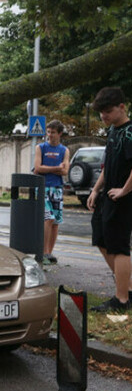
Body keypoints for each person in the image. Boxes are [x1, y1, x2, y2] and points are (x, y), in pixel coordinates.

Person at [86, 87, 132, 312]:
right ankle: (128, 289)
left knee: (119, 246)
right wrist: (95, 190)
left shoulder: (130, 131)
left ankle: (121, 300)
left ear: (122, 107)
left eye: (108, 111)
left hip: (124, 198)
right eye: (101, 112)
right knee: (101, 238)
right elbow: (108, 166)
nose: (103, 116)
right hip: (108, 196)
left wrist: (124, 190)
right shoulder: (113, 130)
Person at [34, 120, 69, 264]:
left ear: (59, 133)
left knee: (55, 222)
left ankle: (50, 252)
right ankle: (44, 252)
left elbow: (65, 171)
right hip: (43, 188)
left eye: (53, 132)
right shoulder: (40, 147)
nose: (50, 135)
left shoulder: (64, 150)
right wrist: (56, 169)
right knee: (47, 218)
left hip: (57, 189)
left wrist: (49, 168)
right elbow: (37, 168)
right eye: (48, 132)